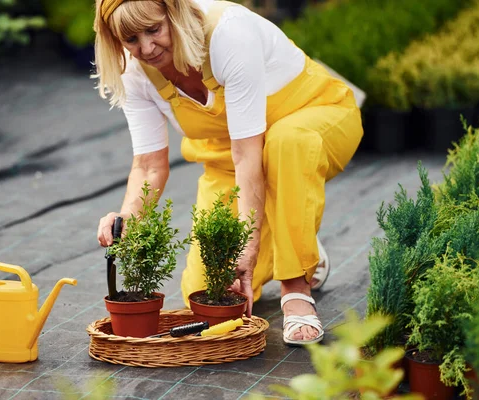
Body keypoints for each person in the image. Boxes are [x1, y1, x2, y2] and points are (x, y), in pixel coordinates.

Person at [94, 0, 363, 345]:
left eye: (153, 29)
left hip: (316, 118)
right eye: (130, 39)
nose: (145, 48)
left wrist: (247, 249)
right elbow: (148, 165)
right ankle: (300, 242)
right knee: (208, 291)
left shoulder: (227, 35)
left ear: (172, 14)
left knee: (286, 143)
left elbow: (249, 154)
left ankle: (296, 286)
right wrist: (129, 217)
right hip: (232, 160)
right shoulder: (135, 72)